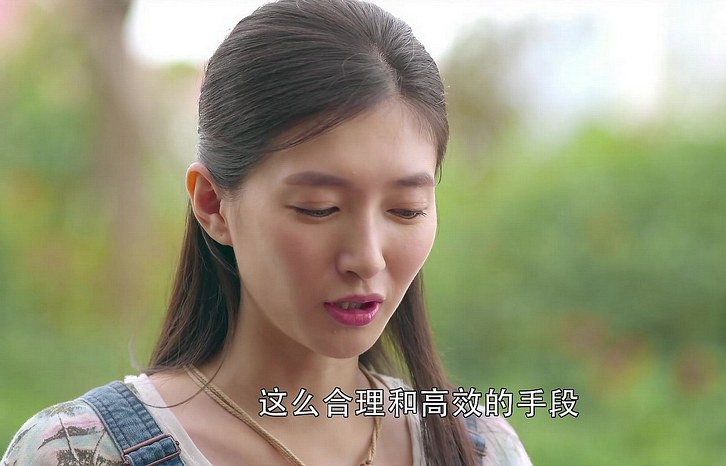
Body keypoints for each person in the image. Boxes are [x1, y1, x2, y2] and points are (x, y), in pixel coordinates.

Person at [1, 1, 532, 464]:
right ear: (212, 204)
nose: (368, 258)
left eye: (406, 210)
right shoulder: (79, 451)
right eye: (319, 209)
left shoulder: (480, 448)